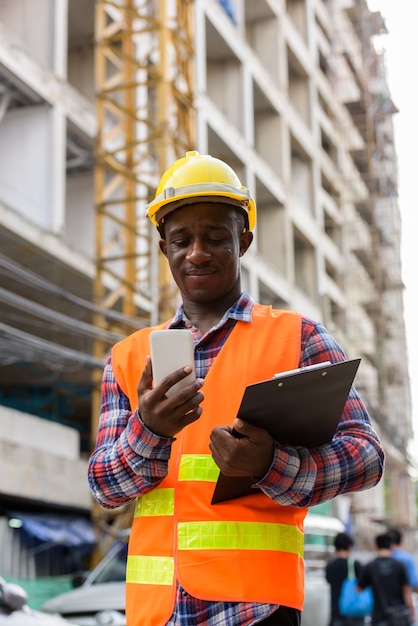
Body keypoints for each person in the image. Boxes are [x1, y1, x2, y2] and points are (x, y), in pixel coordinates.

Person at [88, 151, 385, 626]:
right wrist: (149, 431)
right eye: (181, 239)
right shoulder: (127, 357)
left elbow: (367, 458)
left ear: (243, 241)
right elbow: (105, 488)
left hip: (255, 609)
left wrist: (272, 464)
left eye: (216, 238)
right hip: (157, 612)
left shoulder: (298, 338)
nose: (198, 253)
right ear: (164, 248)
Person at [357, 532, 415, 626]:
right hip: (399, 616)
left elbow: (359, 589)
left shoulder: (369, 566)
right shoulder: (399, 565)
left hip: (378, 616)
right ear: (391, 546)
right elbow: (406, 591)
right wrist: (412, 611)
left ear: (376, 546)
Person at [326, 532, 366, 626]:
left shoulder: (330, 566)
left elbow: (328, 581)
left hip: (336, 614)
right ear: (349, 546)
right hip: (353, 614)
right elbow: (363, 586)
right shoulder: (355, 565)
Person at [388, 528, 418, 593]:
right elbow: (413, 583)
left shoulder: (377, 560)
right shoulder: (407, 559)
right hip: (402, 600)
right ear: (401, 541)